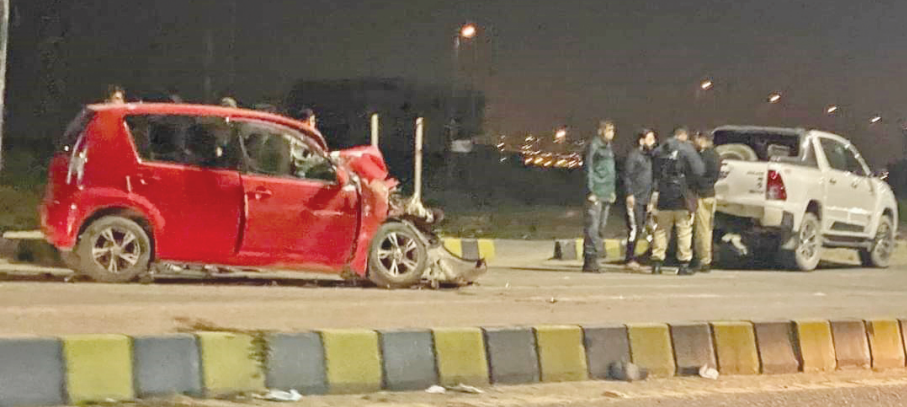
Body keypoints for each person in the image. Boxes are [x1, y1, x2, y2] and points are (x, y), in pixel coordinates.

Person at [650, 126, 705, 275]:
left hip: (664, 194)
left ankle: (657, 262)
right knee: (684, 230)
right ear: (683, 136)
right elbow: (699, 170)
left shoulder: (661, 150)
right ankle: (683, 264)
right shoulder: (687, 150)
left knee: (661, 229)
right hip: (682, 194)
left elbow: (653, 168)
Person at [582, 120, 617, 273]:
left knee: (600, 227)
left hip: (606, 192)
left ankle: (594, 257)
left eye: (612, 130)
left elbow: (610, 171)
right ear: (600, 131)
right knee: (592, 227)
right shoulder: (594, 146)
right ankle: (590, 259)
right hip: (595, 192)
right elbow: (588, 168)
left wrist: (611, 191)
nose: (611, 133)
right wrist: (590, 191)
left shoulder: (608, 148)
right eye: (608, 130)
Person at [623, 128, 657, 272]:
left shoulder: (650, 157)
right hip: (635, 199)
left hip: (645, 198)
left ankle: (642, 257)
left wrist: (650, 200)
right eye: (650, 139)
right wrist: (629, 194)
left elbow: (652, 178)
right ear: (641, 141)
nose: (653, 142)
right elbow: (627, 176)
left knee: (645, 229)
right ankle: (629, 258)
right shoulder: (634, 155)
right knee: (634, 229)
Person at [692, 131, 721, 273]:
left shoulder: (704, 156)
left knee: (702, 230)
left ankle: (703, 260)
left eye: (696, 138)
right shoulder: (716, 155)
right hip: (710, 194)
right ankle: (705, 258)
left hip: (702, 196)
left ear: (702, 139)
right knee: (707, 229)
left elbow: (698, 174)